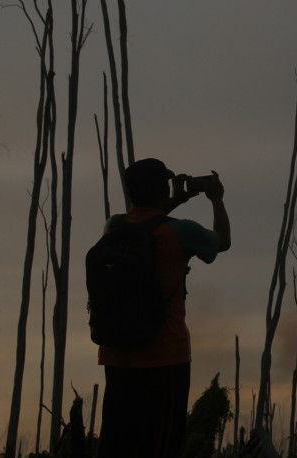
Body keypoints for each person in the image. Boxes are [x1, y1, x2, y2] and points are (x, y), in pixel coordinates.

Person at [97, 158, 231, 458]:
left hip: (117, 355)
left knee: (118, 444)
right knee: (161, 445)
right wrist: (216, 200)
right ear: (162, 189)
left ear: (130, 193)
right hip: (164, 358)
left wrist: (170, 202)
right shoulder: (181, 232)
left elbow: (145, 226)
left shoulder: (112, 228)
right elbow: (222, 242)